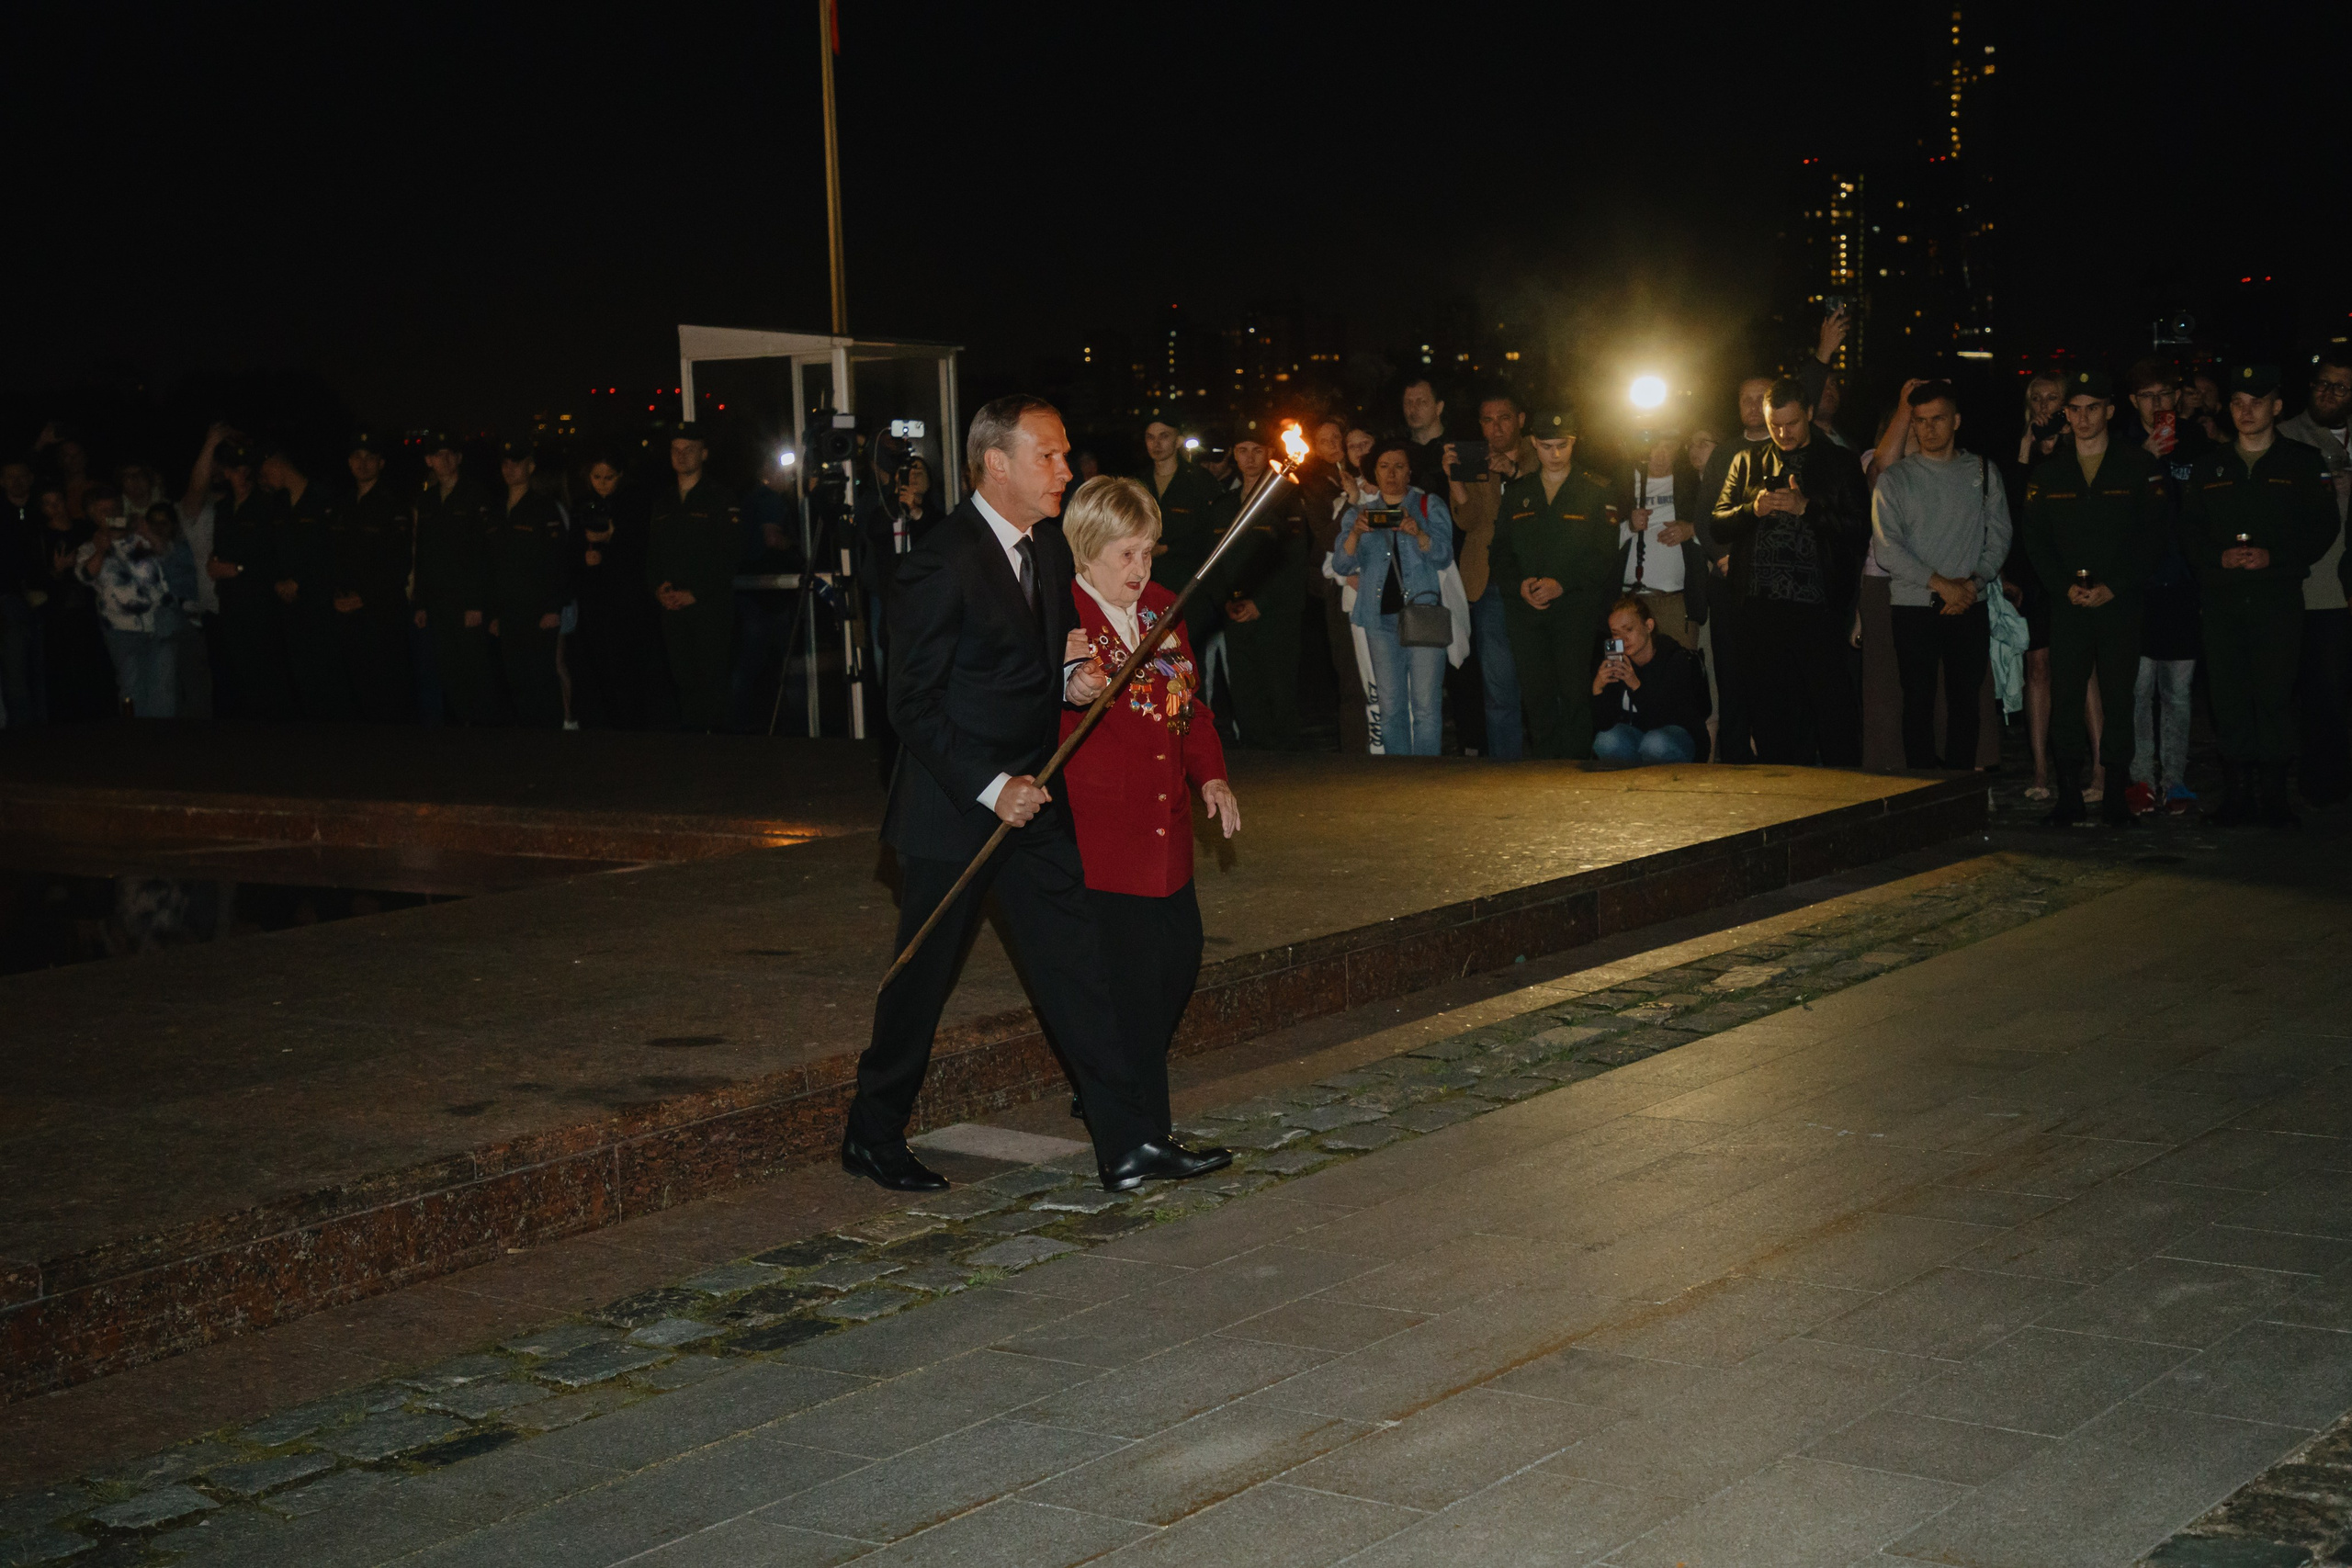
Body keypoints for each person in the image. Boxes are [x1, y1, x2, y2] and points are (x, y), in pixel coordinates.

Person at [854, 395, 1224, 1195]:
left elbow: (1042, 663)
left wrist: (1077, 678)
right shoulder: (939, 559)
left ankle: (1127, 1143)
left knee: (1080, 969)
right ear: (996, 463)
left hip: (1037, 801)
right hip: (956, 809)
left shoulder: (1049, 550)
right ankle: (873, 1130)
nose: (1066, 470)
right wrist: (993, 787)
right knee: (921, 984)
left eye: (1063, 455)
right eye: (1048, 457)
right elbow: (910, 705)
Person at [1057, 475, 1241, 1145]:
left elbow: (1186, 703)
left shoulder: (1164, 606)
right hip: (1102, 836)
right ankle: (1143, 1137)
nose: (1140, 570)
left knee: (1180, 957)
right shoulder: (1063, 615)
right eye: (1125, 555)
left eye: (1148, 553)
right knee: (1133, 984)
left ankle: (1108, 1078)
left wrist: (1212, 777)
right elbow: (1033, 702)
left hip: (1166, 832)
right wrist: (1070, 687)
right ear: (1086, 549)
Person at [2179, 365, 2340, 827]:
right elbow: (2190, 529)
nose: (2246, 411)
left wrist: (2278, 557)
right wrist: (2216, 558)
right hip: (2223, 601)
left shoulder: (2302, 462)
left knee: (2273, 696)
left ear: (2277, 406)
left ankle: (2273, 797)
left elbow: (2323, 526)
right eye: (2237, 402)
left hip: (2277, 598)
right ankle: (2236, 795)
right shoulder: (2211, 465)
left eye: (2256, 402)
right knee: (2228, 698)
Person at [2019, 371, 2173, 826]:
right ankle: (2068, 792)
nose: (2082, 418)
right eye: (2074, 409)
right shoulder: (2050, 473)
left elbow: (2153, 538)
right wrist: (2060, 585)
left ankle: (2114, 793)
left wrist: (2116, 585)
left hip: (2119, 604)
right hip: (2068, 604)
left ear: (2109, 410)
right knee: (2066, 696)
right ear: (2065, 414)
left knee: (2118, 697)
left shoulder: (2137, 467)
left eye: (2092, 408)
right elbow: (2035, 538)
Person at [1709, 378, 1871, 766]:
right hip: (1759, 606)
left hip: (1818, 605)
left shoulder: (1839, 461)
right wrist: (1753, 509)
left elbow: (1859, 529)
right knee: (1768, 710)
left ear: (1809, 415)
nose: (1782, 433)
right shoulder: (1746, 461)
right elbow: (1717, 524)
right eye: (1774, 425)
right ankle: (1781, 797)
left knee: (1831, 708)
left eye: (1792, 424)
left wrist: (1806, 508)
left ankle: (1841, 795)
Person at [1870, 380, 2013, 771]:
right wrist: (1942, 585)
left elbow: (1999, 535)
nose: (1928, 428)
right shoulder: (1896, 479)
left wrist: (1973, 583)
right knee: (1916, 700)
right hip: (1915, 605)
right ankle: (1921, 789)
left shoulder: (1982, 471)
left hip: (1969, 602)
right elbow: (1887, 548)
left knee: (1966, 700)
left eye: (1938, 419)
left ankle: (1960, 786)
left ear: (1957, 421)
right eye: (1920, 421)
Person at [1489, 405, 1617, 759]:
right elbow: (1499, 551)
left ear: (1574, 443)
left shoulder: (1596, 489)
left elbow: (1604, 553)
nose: (1556, 454)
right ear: (1534, 443)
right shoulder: (1518, 492)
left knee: (1575, 692)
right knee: (1537, 694)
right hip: (1526, 612)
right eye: (1547, 446)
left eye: (1563, 445)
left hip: (1575, 609)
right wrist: (1519, 586)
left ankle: (1577, 766)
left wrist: (1563, 583)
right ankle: (1545, 770)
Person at [1332, 437, 1455, 757]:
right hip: (1378, 618)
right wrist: (1357, 532)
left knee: (1427, 705)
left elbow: (1443, 555)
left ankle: (1426, 776)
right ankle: (1398, 774)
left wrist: (1419, 533)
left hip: (1423, 614)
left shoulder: (1429, 505)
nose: (1391, 474)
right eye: (1384, 466)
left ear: (1410, 471)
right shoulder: (1360, 513)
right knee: (1390, 705)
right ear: (1374, 472)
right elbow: (1342, 565)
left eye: (1399, 466)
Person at [2279, 350, 2352, 805]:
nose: (2328, 393)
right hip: (2318, 587)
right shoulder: (2289, 437)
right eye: (2322, 383)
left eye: (2340, 387)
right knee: (2322, 691)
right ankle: (2322, 785)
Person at [1444, 390, 1533, 759]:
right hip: (1488, 580)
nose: (1495, 427)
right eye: (1487, 420)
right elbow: (1468, 521)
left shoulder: (1542, 452)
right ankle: (1506, 769)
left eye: (1504, 418)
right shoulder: (1474, 458)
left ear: (1521, 420)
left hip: (1535, 578)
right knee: (1498, 687)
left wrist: (1511, 472)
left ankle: (1556, 760)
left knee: (1543, 682)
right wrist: (1455, 480)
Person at [1210, 431, 1308, 750]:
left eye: (1256, 450)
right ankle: (1257, 762)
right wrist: (1227, 601)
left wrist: (1261, 602)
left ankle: (1288, 763)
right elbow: (1216, 561)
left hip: (1274, 613)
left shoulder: (1285, 498)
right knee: (1244, 690)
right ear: (1233, 455)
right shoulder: (1224, 506)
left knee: (1278, 690)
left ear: (1268, 453)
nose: (1249, 457)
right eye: (1242, 450)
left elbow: (1293, 559)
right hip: (1234, 613)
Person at [1702, 376, 1777, 762]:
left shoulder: (1787, 450)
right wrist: (1723, 557)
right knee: (1730, 675)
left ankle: (1777, 758)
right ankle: (1733, 759)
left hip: (1772, 585)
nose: (1751, 406)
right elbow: (1705, 516)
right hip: (1728, 582)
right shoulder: (1724, 453)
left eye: (1760, 399)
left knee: (1772, 675)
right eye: (1744, 399)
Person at [645, 424, 739, 731]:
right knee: (683, 680)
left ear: (704, 453)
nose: (681, 456)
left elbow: (730, 555)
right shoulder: (663, 502)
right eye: (676, 449)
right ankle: (693, 749)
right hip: (672, 609)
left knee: (711, 680)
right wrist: (659, 589)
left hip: (709, 608)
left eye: (689, 449)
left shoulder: (720, 498)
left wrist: (696, 593)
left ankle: (716, 749)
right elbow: (653, 554)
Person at [569, 451, 671, 729]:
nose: (602, 483)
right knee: (595, 662)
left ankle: (632, 721)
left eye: (608, 478)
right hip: (593, 601)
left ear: (620, 476)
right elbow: (570, 550)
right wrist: (586, 555)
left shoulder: (634, 501)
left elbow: (641, 546)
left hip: (627, 601)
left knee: (627, 662)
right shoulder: (581, 504)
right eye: (596, 477)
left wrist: (613, 537)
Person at [328, 431, 417, 724]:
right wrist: (339, 595)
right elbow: (334, 557)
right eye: (357, 457)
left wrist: (363, 597)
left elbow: (398, 562)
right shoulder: (343, 506)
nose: (362, 463)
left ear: (381, 463)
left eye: (370, 458)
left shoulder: (393, 504)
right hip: (347, 612)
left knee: (389, 691)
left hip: (381, 612)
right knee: (358, 689)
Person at [201, 442, 295, 721]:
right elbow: (219, 549)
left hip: (260, 600)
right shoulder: (224, 508)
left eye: (245, 469)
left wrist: (240, 569)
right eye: (234, 469)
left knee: (267, 668)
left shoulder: (267, 506)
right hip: (230, 600)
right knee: (239, 668)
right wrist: (213, 565)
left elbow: (275, 556)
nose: (241, 474)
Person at [77, 501, 197, 717]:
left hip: (161, 623)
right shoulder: (88, 548)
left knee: (165, 687)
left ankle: (161, 741)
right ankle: (134, 740)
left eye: (115, 510)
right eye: (104, 511)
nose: (112, 514)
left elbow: (168, 553)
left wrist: (146, 531)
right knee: (131, 687)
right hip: (121, 628)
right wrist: (102, 550)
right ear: (94, 518)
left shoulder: (142, 541)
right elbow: (86, 575)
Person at [259, 446, 352, 721]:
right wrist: (279, 581)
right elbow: (273, 549)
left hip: (319, 599)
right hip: (290, 601)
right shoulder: (279, 504)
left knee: (328, 666)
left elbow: (329, 551)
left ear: (279, 466)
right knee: (300, 667)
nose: (265, 480)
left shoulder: (324, 499)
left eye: (266, 473)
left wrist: (301, 581)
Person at [1295, 418, 1370, 753]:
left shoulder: (1369, 474)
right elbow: (1325, 537)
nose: (1333, 445)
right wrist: (1351, 503)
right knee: (1352, 674)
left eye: (1337, 437)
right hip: (1339, 585)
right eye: (1323, 440)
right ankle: (1356, 750)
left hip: (1377, 584)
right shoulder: (1313, 484)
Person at [413, 432, 497, 725]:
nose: (444, 460)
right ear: (429, 461)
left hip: (467, 601)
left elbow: (483, 554)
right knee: (448, 671)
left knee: (476, 670)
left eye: (450, 453)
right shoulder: (426, 501)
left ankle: (485, 732)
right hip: (438, 600)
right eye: (438, 454)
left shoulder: (476, 495)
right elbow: (422, 554)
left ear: (459, 458)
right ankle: (462, 734)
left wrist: (477, 603)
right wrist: (420, 603)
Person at [488, 438, 569, 728]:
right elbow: (493, 566)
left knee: (541, 679)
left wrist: (553, 608)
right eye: (505, 463)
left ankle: (550, 741)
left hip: (538, 613)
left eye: (517, 462)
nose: (510, 469)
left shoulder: (544, 508)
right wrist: (495, 612)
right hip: (509, 612)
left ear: (530, 467)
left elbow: (559, 561)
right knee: (516, 680)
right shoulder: (497, 510)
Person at [1617, 428, 1709, 652]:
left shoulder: (1692, 484)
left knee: (1680, 674)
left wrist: (1691, 530)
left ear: (1678, 450)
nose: (1660, 455)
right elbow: (1601, 542)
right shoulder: (1623, 483)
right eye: (1655, 447)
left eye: (1667, 447)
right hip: (1630, 600)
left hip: (1676, 603)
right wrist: (1629, 525)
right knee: (1628, 674)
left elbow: (1717, 527)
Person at [1140, 418, 1227, 650]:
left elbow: (1213, 535)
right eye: (1151, 437)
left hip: (1189, 589)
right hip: (1145, 586)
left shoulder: (1199, 481)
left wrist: (1169, 548)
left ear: (1178, 441)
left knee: (1190, 660)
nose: (1156, 443)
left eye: (1164, 436)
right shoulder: (1138, 484)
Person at [1590, 595, 1709, 763]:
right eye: (1616, 633)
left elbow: (1668, 719)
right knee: (1605, 741)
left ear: (1649, 626)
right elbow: (1604, 725)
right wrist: (1598, 689)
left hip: (1678, 737)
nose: (1623, 639)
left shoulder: (1674, 659)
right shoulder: (1619, 662)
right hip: (1639, 739)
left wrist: (1636, 685)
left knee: (1655, 743)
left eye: (1629, 629)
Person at [0, 459, 43, 725]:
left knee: (43, 668)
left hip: (46, 599)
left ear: (31, 478)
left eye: (21, 475)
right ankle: (23, 734)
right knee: (14, 669)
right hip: (8, 599)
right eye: (9, 476)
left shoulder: (43, 509)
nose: (16, 481)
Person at [1399, 377, 1449, 496]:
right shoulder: (1400, 452)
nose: (1413, 409)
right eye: (1408, 402)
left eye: (1422, 402)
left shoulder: (1456, 447)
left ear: (1439, 407)